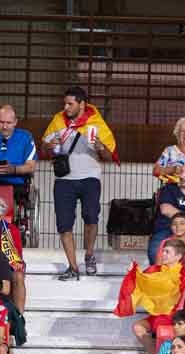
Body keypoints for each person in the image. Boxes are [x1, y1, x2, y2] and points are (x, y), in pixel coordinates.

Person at [42, 86, 117, 280]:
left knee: (91, 217)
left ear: (82, 104)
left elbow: (110, 155)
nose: (66, 107)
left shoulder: (96, 122)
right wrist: (48, 146)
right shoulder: (58, 120)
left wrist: (101, 147)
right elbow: (44, 146)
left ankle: (89, 255)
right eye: (64, 103)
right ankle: (73, 267)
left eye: (70, 104)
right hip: (64, 179)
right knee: (63, 224)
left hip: (90, 177)